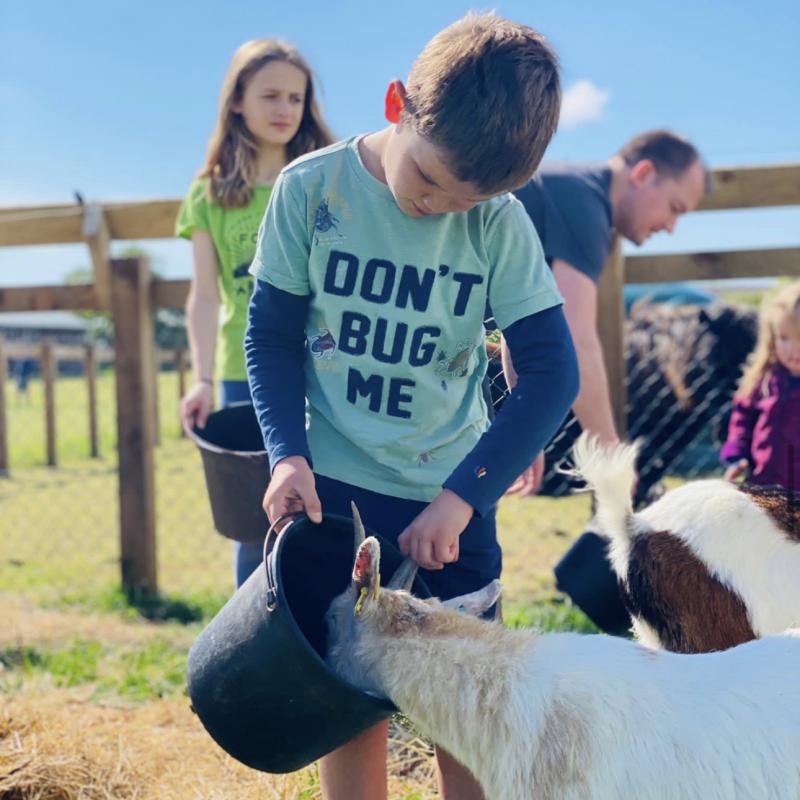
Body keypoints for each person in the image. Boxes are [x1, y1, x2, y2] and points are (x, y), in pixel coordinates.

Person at [245, 12, 578, 800]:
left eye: (466, 200)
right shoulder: (310, 190)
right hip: (335, 493)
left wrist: (464, 498)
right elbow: (271, 338)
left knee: (463, 705)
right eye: (428, 180)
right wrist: (286, 453)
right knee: (352, 700)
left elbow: (551, 372)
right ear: (398, 103)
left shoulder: (496, 222)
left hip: (446, 500)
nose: (440, 208)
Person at [176, 39, 334, 586]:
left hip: (326, 369)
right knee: (256, 520)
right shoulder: (209, 194)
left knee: (328, 508)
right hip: (243, 375)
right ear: (237, 101)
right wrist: (198, 379)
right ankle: (256, 644)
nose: (285, 109)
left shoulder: (325, 180)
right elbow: (204, 294)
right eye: (270, 95)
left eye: (296, 97)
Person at [503, 129, 711, 493]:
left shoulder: (574, 192)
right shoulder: (584, 204)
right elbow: (577, 340)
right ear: (643, 174)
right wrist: (611, 451)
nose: (671, 227)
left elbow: (522, 322)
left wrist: (524, 430)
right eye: (674, 208)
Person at [721, 281, 800, 490]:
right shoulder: (763, 381)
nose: (794, 349)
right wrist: (737, 455)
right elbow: (742, 421)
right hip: (765, 485)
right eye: (784, 338)